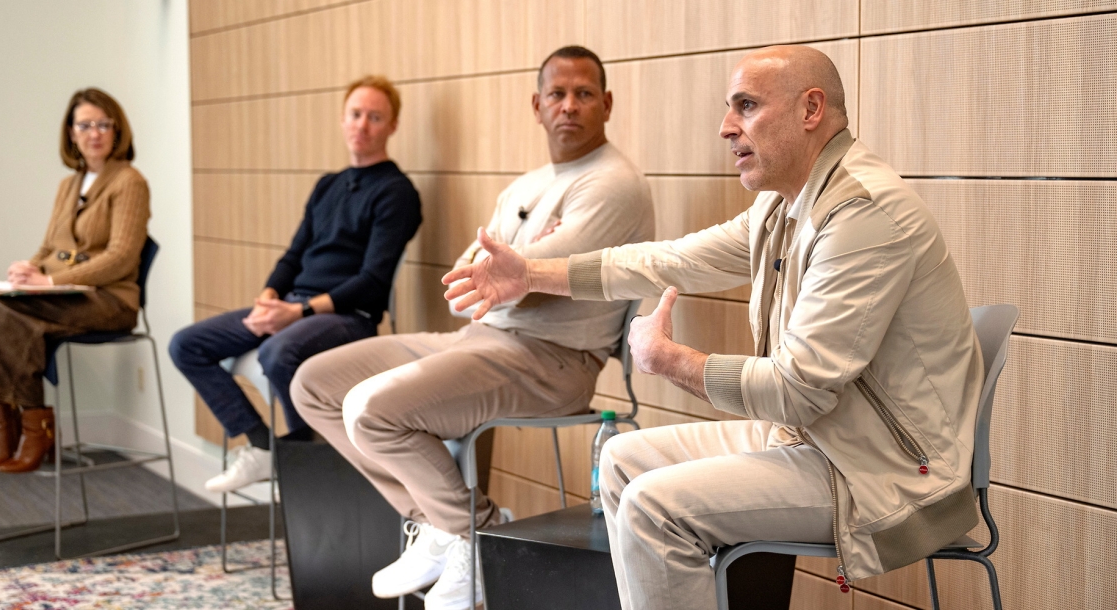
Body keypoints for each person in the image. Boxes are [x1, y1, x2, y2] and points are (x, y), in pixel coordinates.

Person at [443, 45, 984, 609]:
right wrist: (530, 273)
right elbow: (667, 259)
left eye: (746, 106)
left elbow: (798, 391)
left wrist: (671, 360)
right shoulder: (784, 206)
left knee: (654, 504)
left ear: (811, 109)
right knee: (624, 461)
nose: (726, 128)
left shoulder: (861, 216)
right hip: (819, 438)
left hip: (881, 471)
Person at [291, 46, 655, 609]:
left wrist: (519, 269)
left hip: (551, 362)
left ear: (607, 104)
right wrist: (525, 265)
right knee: (313, 384)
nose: (569, 106)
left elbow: (510, 283)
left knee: (371, 410)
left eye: (584, 94)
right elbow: (466, 294)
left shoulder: (613, 183)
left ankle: (474, 534)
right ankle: (441, 523)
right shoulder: (525, 186)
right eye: (557, 94)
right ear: (536, 105)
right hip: (479, 340)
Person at [169, 76, 422, 494]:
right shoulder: (328, 185)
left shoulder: (397, 192)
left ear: (392, 126)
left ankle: (307, 455)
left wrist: (299, 312)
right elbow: (293, 255)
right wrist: (269, 297)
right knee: (186, 344)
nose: (363, 125)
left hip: (346, 317)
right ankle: (265, 448)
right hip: (292, 307)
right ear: (342, 120)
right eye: (355, 115)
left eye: (375, 118)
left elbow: (373, 282)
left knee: (277, 352)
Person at [0, 88, 151, 474]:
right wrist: (26, 270)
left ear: (117, 130)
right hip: (63, 293)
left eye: (104, 124)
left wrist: (50, 281)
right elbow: (51, 246)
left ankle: (40, 428)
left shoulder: (129, 182)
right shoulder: (69, 184)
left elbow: (120, 258)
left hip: (108, 301)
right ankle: (7, 428)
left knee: (1, 315)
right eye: (85, 125)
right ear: (71, 133)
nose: (95, 133)